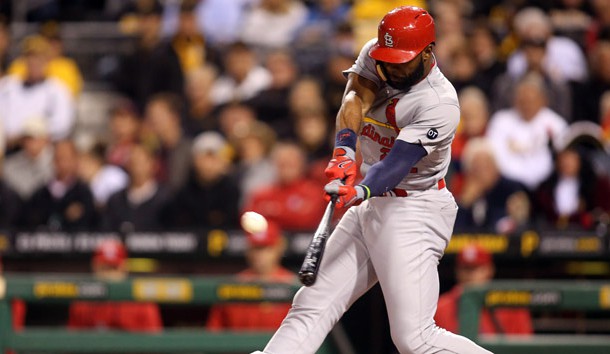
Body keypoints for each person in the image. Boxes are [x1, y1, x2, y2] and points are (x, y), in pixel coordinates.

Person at [252, 6, 492, 354]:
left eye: (402, 60)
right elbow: (354, 98)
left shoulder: (440, 102)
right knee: (312, 303)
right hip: (374, 203)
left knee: (415, 339)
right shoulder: (377, 54)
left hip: (414, 208)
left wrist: (359, 189)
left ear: (428, 52)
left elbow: (397, 164)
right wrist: (344, 153)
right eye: (387, 58)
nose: (391, 67)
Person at [206, 217, 296, 331]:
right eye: (256, 248)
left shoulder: (293, 285)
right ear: (248, 249)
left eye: (265, 248)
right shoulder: (232, 285)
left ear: (279, 248)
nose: (260, 255)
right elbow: (214, 332)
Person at [435, 244, 533, 335]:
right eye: (465, 268)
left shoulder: (511, 306)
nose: (470, 275)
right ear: (457, 271)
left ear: (490, 270)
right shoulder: (440, 307)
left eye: (476, 268)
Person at [68, 239, 162, 332]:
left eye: (114, 268)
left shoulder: (142, 303)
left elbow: (154, 342)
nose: (109, 275)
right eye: (104, 268)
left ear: (124, 269)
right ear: (94, 267)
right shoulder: (82, 303)